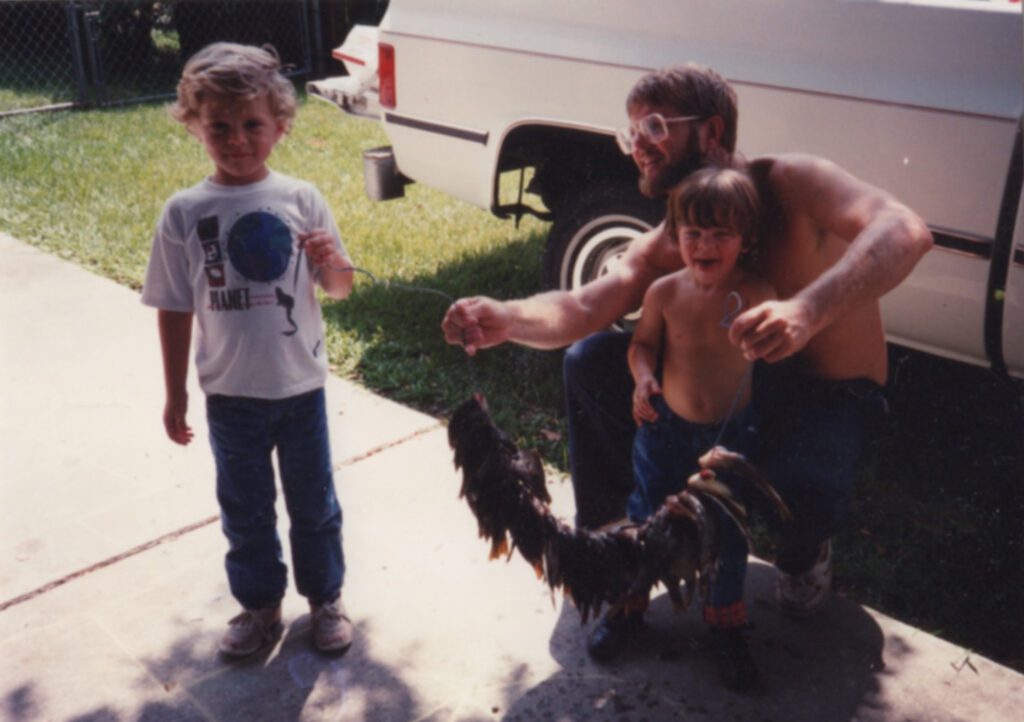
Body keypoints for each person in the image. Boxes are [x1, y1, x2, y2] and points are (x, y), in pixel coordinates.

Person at [442, 64, 932, 665]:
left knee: (810, 479)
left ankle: (805, 553)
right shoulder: (681, 232)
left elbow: (906, 230)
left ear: (711, 131)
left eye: (653, 125)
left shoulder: (793, 181)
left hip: (826, 392)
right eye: (630, 132)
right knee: (591, 360)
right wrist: (506, 318)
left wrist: (807, 311)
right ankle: (619, 548)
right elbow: (587, 303)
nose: (637, 143)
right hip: (729, 386)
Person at [141, 42, 356, 658]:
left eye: (252, 125)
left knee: (315, 504)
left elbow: (338, 289)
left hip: (299, 389)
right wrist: (174, 391)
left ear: (280, 126)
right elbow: (174, 305)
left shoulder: (301, 198)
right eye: (220, 127)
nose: (237, 139)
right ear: (193, 125)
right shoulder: (184, 212)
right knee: (245, 510)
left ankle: (325, 599)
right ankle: (260, 606)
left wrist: (330, 259)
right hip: (230, 395)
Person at [625, 165, 774, 689]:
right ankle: (627, 611)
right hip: (664, 430)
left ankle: (724, 629)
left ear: (745, 239)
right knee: (645, 520)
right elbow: (641, 346)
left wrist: (766, 335)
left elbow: (782, 345)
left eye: (721, 234)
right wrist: (643, 381)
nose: (705, 245)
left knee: (726, 536)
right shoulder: (664, 292)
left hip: (728, 441)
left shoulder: (757, 293)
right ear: (675, 234)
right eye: (694, 234)